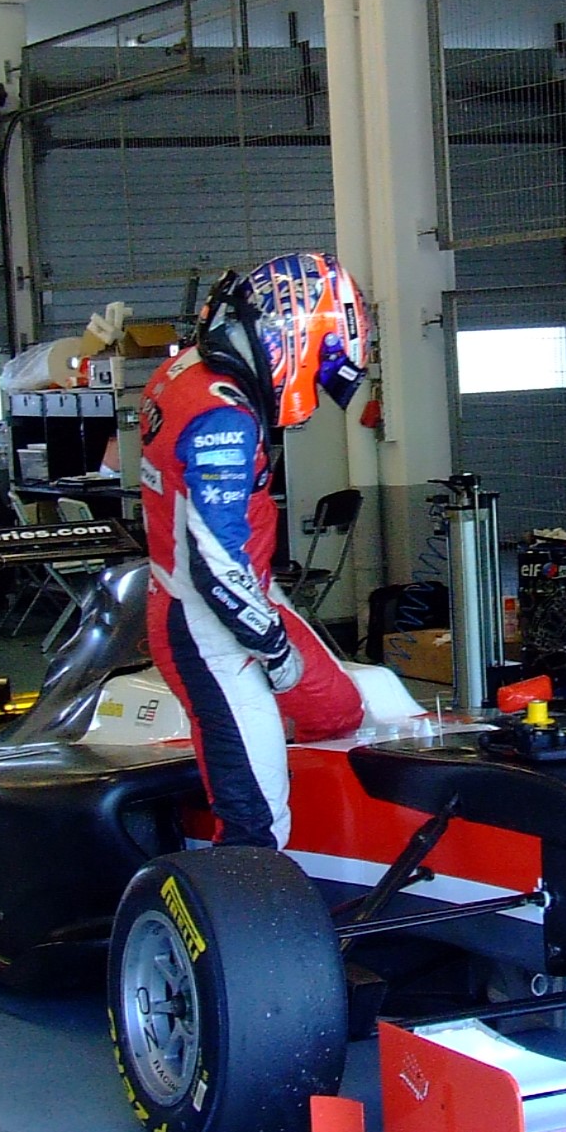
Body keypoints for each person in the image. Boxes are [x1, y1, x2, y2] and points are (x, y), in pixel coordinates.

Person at [140, 251, 370, 849]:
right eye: (320, 365)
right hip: (208, 620)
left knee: (339, 709)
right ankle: (240, 921)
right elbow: (215, 571)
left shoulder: (187, 368)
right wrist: (272, 650)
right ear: (290, 338)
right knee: (258, 825)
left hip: (230, 591)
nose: (316, 389)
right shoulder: (222, 417)